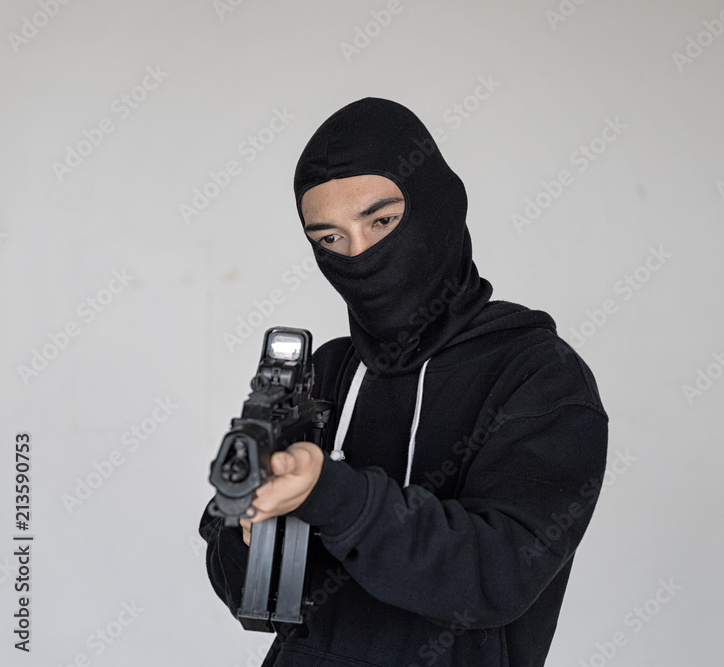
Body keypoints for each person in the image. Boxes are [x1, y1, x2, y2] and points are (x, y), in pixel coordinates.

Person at [199, 97, 609, 666]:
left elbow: (496, 576)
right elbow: (247, 596)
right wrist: (251, 529)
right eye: (330, 239)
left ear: (439, 207)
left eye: (381, 221)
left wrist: (331, 495)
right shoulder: (323, 372)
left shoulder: (540, 377)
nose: (359, 255)